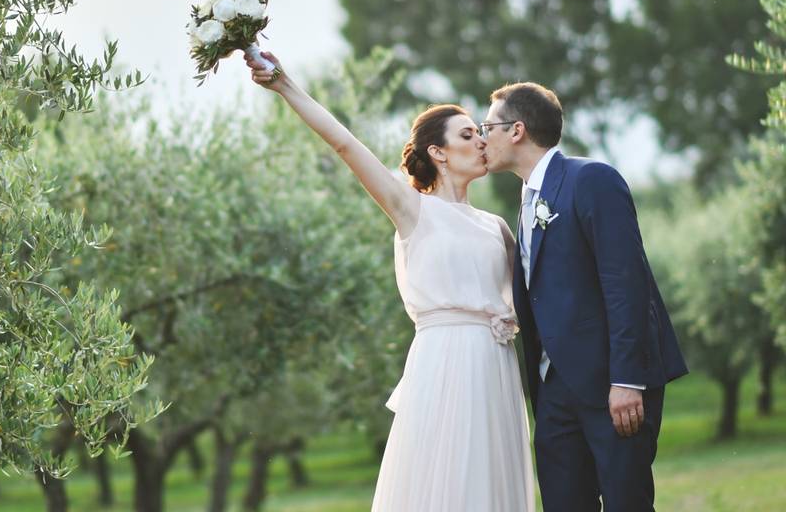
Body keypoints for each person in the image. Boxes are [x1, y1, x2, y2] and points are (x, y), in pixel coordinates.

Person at [245, 50, 535, 511]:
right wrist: (284, 84)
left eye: (480, 133)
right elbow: (344, 143)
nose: (481, 142)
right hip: (444, 365)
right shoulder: (411, 209)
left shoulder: (497, 226)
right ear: (437, 152)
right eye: (467, 134)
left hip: (495, 368)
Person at [481, 82, 688, 512]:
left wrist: (626, 380)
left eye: (488, 127)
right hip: (553, 393)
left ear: (516, 130)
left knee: (626, 504)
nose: (483, 138)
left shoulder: (591, 179)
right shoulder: (524, 203)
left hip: (613, 386)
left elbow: (626, 283)